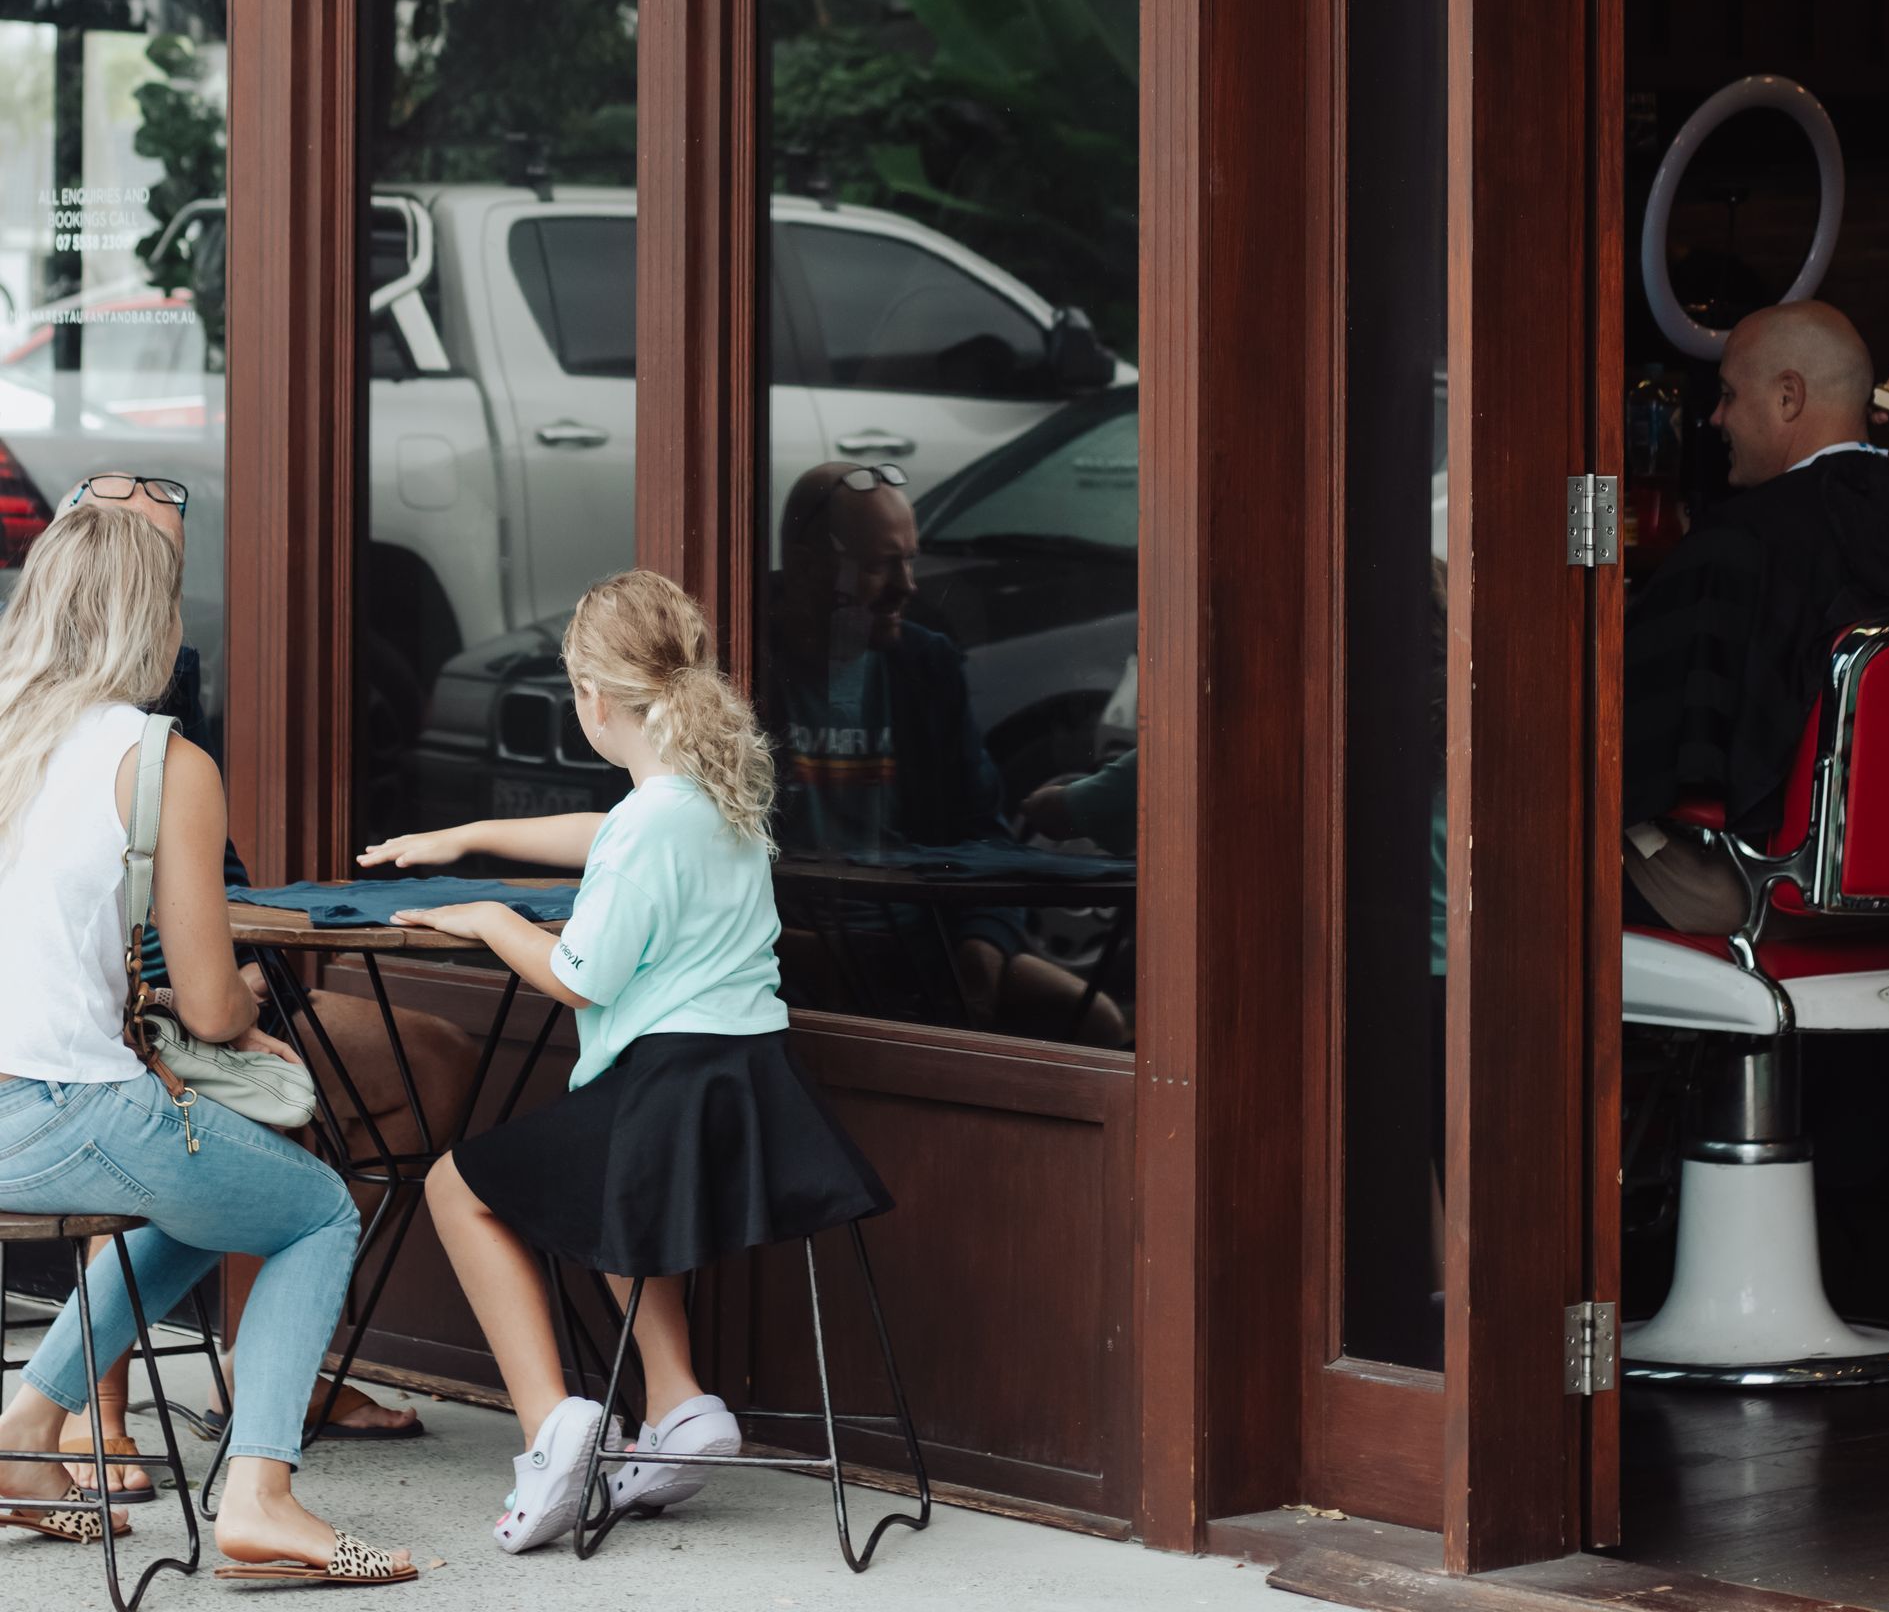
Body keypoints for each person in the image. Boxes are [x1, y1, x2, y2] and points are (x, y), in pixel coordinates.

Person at [360, 568, 888, 1557]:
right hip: (748, 1086)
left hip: (664, 1084)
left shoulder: (652, 820)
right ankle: (681, 1406)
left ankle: (552, 1427)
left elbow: (578, 976)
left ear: (591, 700)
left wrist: (489, 914)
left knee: (453, 1188)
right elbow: (602, 833)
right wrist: (465, 836)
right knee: (615, 1203)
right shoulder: (708, 794)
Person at [0, 497, 411, 1582]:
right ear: (152, 619)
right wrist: (233, 1017)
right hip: (55, 1109)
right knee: (315, 1208)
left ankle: (27, 1431)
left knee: (208, 1198)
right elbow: (216, 1004)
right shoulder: (161, 762)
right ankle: (261, 1494)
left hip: (26, 1111)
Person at [766, 461, 1128, 1041]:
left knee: (1096, 1023)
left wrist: (981, 949)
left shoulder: (923, 664)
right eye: (881, 564)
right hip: (787, 955)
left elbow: (980, 828)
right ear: (812, 567)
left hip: (923, 945)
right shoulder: (747, 661)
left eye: (908, 559)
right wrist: (809, 953)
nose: (907, 586)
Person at [1623, 299, 1889, 931]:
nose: (1714, 417)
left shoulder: (1739, 545)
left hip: (1760, 894)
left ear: (1789, 397)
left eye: (1728, 394)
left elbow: (1639, 756)